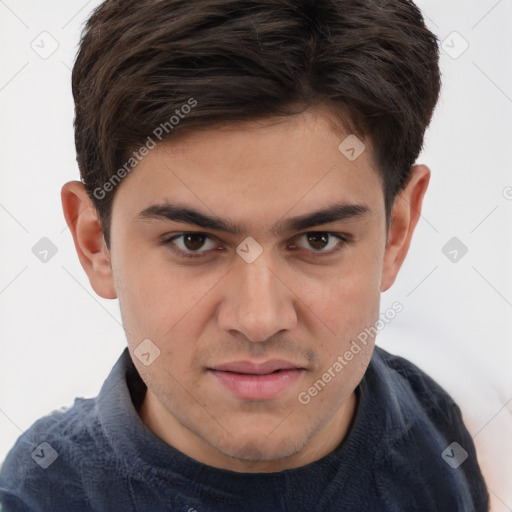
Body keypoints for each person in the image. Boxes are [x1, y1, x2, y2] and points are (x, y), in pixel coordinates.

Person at [0, 0, 489, 510]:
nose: (259, 320)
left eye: (319, 239)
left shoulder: (435, 426)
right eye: (194, 241)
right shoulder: (37, 496)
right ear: (95, 243)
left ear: (396, 233)